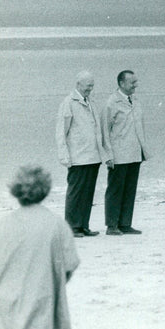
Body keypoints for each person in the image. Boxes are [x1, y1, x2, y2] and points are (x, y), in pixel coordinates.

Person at [0, 165, 79, 329]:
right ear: (45, 190)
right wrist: (52, 284)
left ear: (16, 191)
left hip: (5, 302)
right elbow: (70, 265)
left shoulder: (5, 223)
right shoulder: (56, 223)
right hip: (41, 299)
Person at [55, 70, 112, 237]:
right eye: (88, 86)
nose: (90, 89)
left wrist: (104, 153)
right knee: (76, 192)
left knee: (88, 193)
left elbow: (97, 130)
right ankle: (72, 227)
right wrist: (64, 156)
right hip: (77, 157)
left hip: (93, 156)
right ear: (78, 84)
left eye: (92, 86)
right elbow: (61, 132)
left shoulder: (91, 102)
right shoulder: (68, 103)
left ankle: (83, 225)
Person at [102, 70, 151, 236]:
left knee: (130, 189)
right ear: (122, 83)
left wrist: (143, 151)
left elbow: (139, 127)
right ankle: (111, 225)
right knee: (115, 189)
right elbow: (105, 131)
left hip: (135, 152)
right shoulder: (111, 103)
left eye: (136, 82)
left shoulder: (135, 101)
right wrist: (108, 155)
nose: (135, 85)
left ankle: (125, 223)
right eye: (132, 82)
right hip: (118, 154)